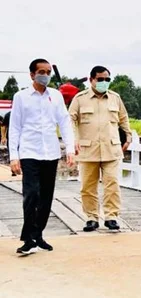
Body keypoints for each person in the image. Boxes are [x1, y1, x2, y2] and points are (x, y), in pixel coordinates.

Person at [9, 58, 75, 254]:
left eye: (48, 72)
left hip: (51, 152)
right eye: (41, 72)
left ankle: (38, 235)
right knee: (32, 195)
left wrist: (69, 149)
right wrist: (14, 156)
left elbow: (64, 122)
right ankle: (28, 239)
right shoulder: (21, 97)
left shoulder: (55, 96)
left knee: (46, 197)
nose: (45, 75)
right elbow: (15, 127)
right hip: (29, 151)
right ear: (32, 75)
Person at [69, 65, 132, 232]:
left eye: (107, 79)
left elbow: (123, 118)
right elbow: (71, 120)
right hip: (88, 150)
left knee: (112, 183)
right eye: (100, 79)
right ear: (91, 80)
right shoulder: (80, 99)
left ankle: (111, 216)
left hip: (111, 149)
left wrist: (128, 135)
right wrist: (73, 140)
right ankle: (91, 217)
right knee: (88, 186)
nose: (104, 82)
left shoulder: (115, 98)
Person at [1, 111, 16, 176]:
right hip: (11, 137)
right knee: (12, 152)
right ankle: (13, 170)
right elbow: (4, 126)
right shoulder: (8, 115)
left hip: (23, 138)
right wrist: (3, 137)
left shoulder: (24, 113)